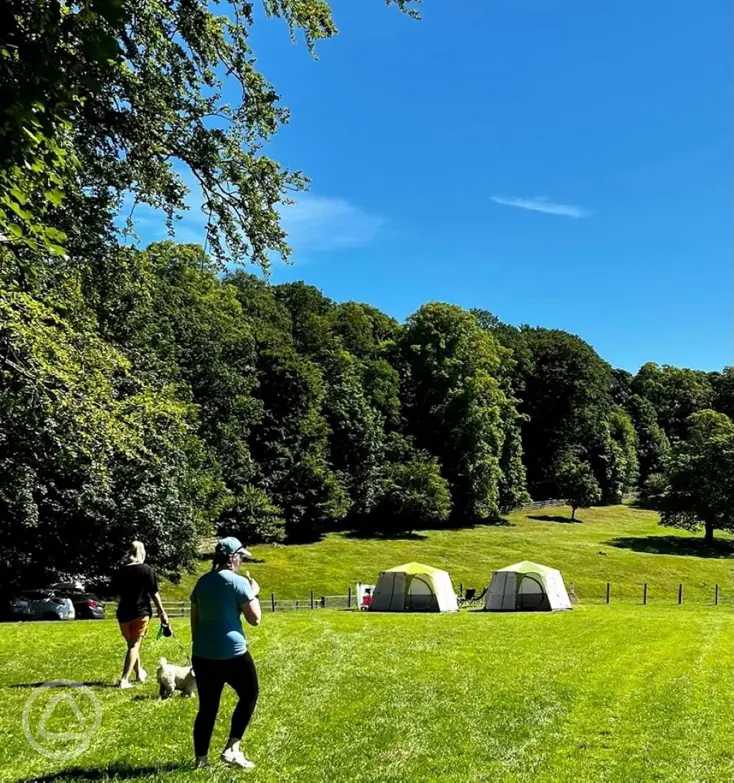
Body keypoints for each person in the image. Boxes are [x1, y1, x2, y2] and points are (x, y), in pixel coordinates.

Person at [190, 536, 261, 770]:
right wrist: (254, 593)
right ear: (232, 558)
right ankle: (232, 748)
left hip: (203, 654)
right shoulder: (238, 582)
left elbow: (195, 621)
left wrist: (200, 646)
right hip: (233, 653)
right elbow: (255, 619)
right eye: (240, 556)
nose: (241, 561)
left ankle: (201, 761)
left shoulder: (202, 582)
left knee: (208, 707)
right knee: (249, 694)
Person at [110, 540, 168, 689]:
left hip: (123, 614)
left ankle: (139, 674)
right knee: (134, 645)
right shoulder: (146, 570)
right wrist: (161, 612)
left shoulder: (120, 571)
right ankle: (124, 679)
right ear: (141, 552)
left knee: (132, 645)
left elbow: (116, 595)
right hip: (140, 612)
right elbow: (154, 593)